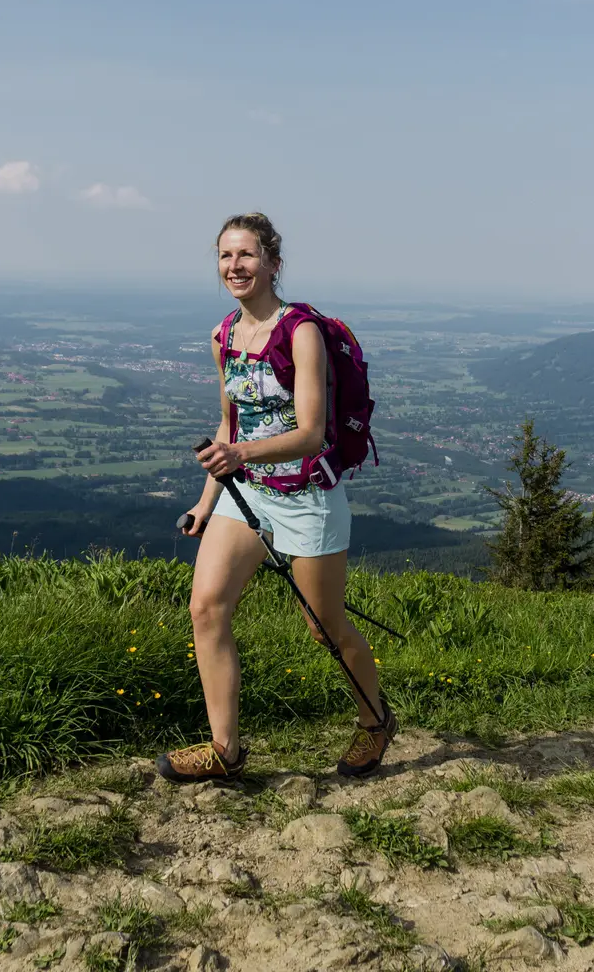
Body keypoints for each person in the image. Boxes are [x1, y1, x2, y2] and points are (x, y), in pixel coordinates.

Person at [159, 212, 395, 783]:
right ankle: (225, 751)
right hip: (249, 493)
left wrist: (239, 454)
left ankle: (376, 720)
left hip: (308, 496)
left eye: (246, 254)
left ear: (273, 263)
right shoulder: (223, 336)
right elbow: (229, 425)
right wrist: (206, 501)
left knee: (324, 626)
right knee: (206, 608)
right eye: (225, 256)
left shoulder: (300, 332)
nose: (234, 266)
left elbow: (311, 433)